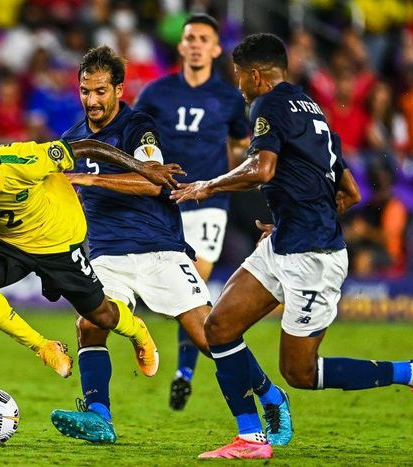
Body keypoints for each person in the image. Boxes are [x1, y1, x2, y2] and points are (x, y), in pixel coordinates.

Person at [170, 33, 413, 459]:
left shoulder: (269, 104)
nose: (239, 86)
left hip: (313, 256)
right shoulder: (313, 109)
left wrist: (207, 186)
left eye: (240, 78)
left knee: (299, 371)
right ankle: (250, 438)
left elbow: (262, 168)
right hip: (286, 241)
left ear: (255, 76)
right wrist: (294, 217)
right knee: (219, 327)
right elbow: (350, 191)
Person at [50, 45, 290, 445]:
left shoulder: (138, 127)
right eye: (85, 92)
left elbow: (154, 181)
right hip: (107, 253)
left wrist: (90, 179)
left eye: (101, 91)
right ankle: (99, 416)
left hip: (159, 248)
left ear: (119, 90)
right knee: (90, 325)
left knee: (211, 337)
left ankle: (271, 395)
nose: (92, 100)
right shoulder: (70, 140)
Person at [0, 137, 182, 379]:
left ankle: (137, 330)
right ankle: (44, 347)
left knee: (101, 316)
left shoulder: (26, 160)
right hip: (6, 241)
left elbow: (87, 147)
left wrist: (142, 167)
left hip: (59, 239)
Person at [134, 13, 256, 412]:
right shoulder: (156, 93)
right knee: (186, 291)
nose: (197, 43)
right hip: (165, 202)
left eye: (205, 38)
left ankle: (184, 372)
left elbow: (241, 143)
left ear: (216, 48)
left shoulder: (227, 97)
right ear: (181, 46)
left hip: (208, 203)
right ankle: (184, 366)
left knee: (194, 282)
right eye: (191, 38)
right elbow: (135, 136)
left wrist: (226, 177)